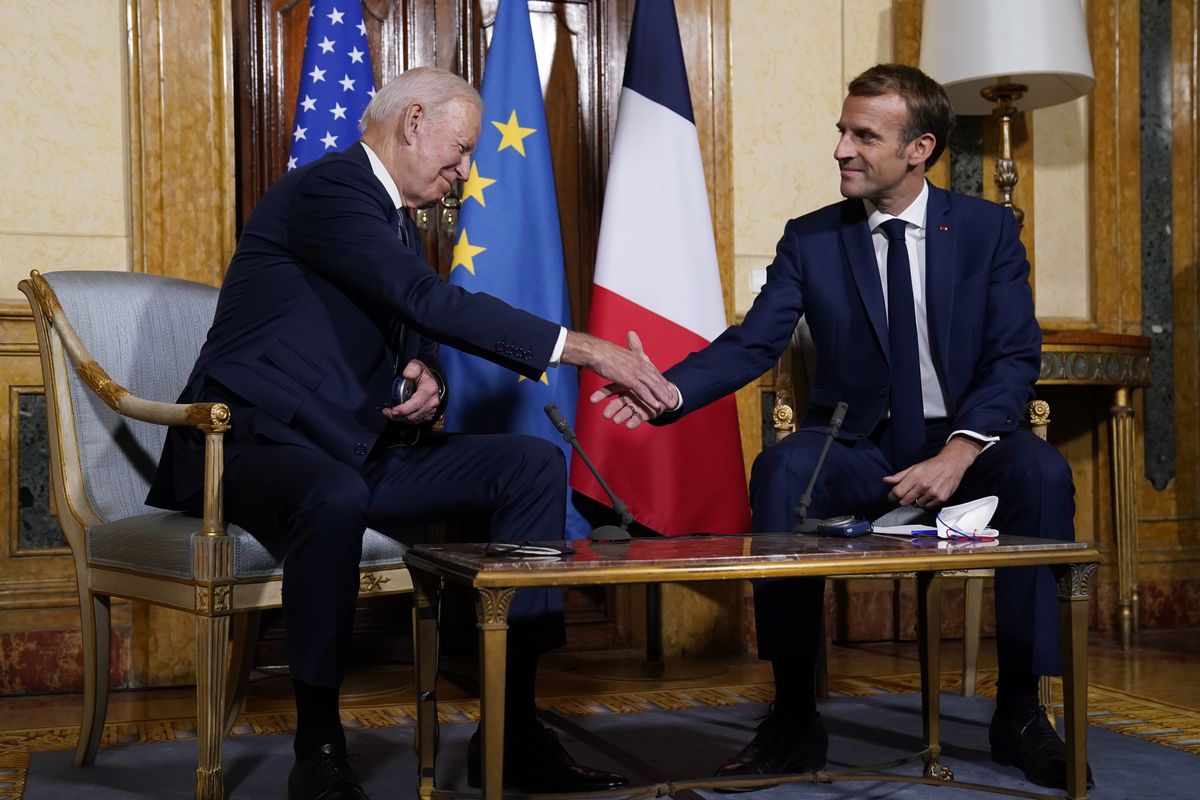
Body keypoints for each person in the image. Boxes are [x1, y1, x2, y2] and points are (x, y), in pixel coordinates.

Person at [147, 66, 675, 800]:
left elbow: (393, 323)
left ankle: (513, 731)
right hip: (249, 446)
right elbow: (423, 297)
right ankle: (320, 751)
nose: (462, 174)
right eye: (458, 153)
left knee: (529, 464)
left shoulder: (391, 218)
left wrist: (423, 374)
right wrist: (586, 349)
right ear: (413, 119)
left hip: (355, 445)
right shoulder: (328, 188)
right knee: (330, 494)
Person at [595, 63, 1089, 791]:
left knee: (1043, 474)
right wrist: (666, 389)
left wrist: (959, 451)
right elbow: (753, 343)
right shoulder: (812, 238)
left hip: (966, 449)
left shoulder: (987, 231)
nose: (842, 150)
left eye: (864, 135)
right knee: (781, 471)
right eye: (842, 131)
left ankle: (1019, 709)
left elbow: (1015, 357)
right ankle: (795, 714)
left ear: (919, 148)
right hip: (856, 449)